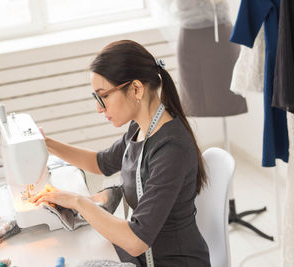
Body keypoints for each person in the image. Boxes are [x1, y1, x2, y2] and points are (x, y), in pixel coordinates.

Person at [31, 40, 211, 267]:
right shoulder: (139, 128)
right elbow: (101, 162)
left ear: (136, 89)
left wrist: (78, 202)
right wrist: (46, 144)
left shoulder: (171, 150)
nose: (99, 108)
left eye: (103, 96)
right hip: (144, 256)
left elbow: (136, 240)